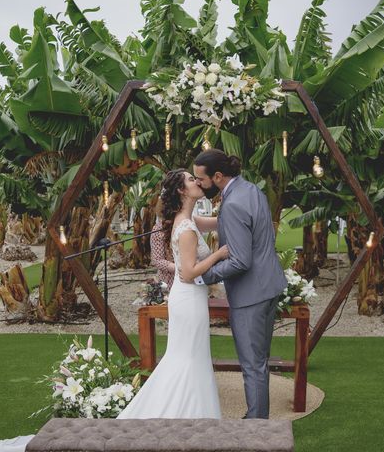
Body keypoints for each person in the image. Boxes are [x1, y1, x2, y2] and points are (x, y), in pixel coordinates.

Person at [117, 168, 228, 419]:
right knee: (187, 358)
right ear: (181, 191)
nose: (197, 181)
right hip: (189, 297)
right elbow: (188, 273)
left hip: (188, 297)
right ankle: (181, 415)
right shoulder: (186, 228)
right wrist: (218, 255)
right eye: (191, 179)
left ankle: (188, 412)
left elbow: (220, 222)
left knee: (187, 356)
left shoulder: (185, 219)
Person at [192, 149, 287, 419]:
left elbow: (240, 261)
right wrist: (201, 223)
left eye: (201, 179)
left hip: (250, 296)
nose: (199, 184)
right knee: (259, 362)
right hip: (269, 287)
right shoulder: (249, 190)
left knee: (252, 365)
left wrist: (201, 276)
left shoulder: (232, 204)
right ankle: (259, 419)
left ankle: (255, 424)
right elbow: (245, 229)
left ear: (218, 176)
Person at [150, 197, 175, 291]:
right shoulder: (158, 229)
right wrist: (181, 269)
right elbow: (158, 260)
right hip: (170, 279)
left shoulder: (186, 223)